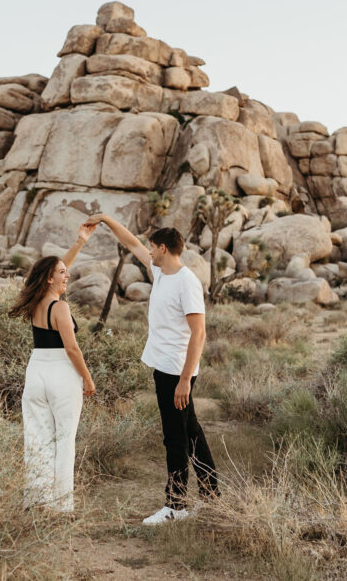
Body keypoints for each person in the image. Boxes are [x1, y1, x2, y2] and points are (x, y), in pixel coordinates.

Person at [84, 215, 219, 525]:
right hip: (165, 366)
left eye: (151, 247)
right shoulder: (160, 271)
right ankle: (212, 497)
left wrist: (185, 380)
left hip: (176, 371)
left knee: (175, 438)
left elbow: (199, 333)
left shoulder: (187, 282)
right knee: (191, 432)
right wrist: (105, 220)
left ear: (162, 248)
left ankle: (175, 506)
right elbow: (130, 241)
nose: (146, 250)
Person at [9, 225, 96, 513]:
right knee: (64, 439)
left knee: (37, 438)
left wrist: (79, 242)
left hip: (36, 371)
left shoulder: (34, 302)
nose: (67, 274)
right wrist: (87, 377)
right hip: (61, 371)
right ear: (49, 279)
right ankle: (61, 506)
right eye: (62, 272)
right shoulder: (60, 308)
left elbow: (55, 272)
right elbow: (72, 349)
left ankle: (36, 500)